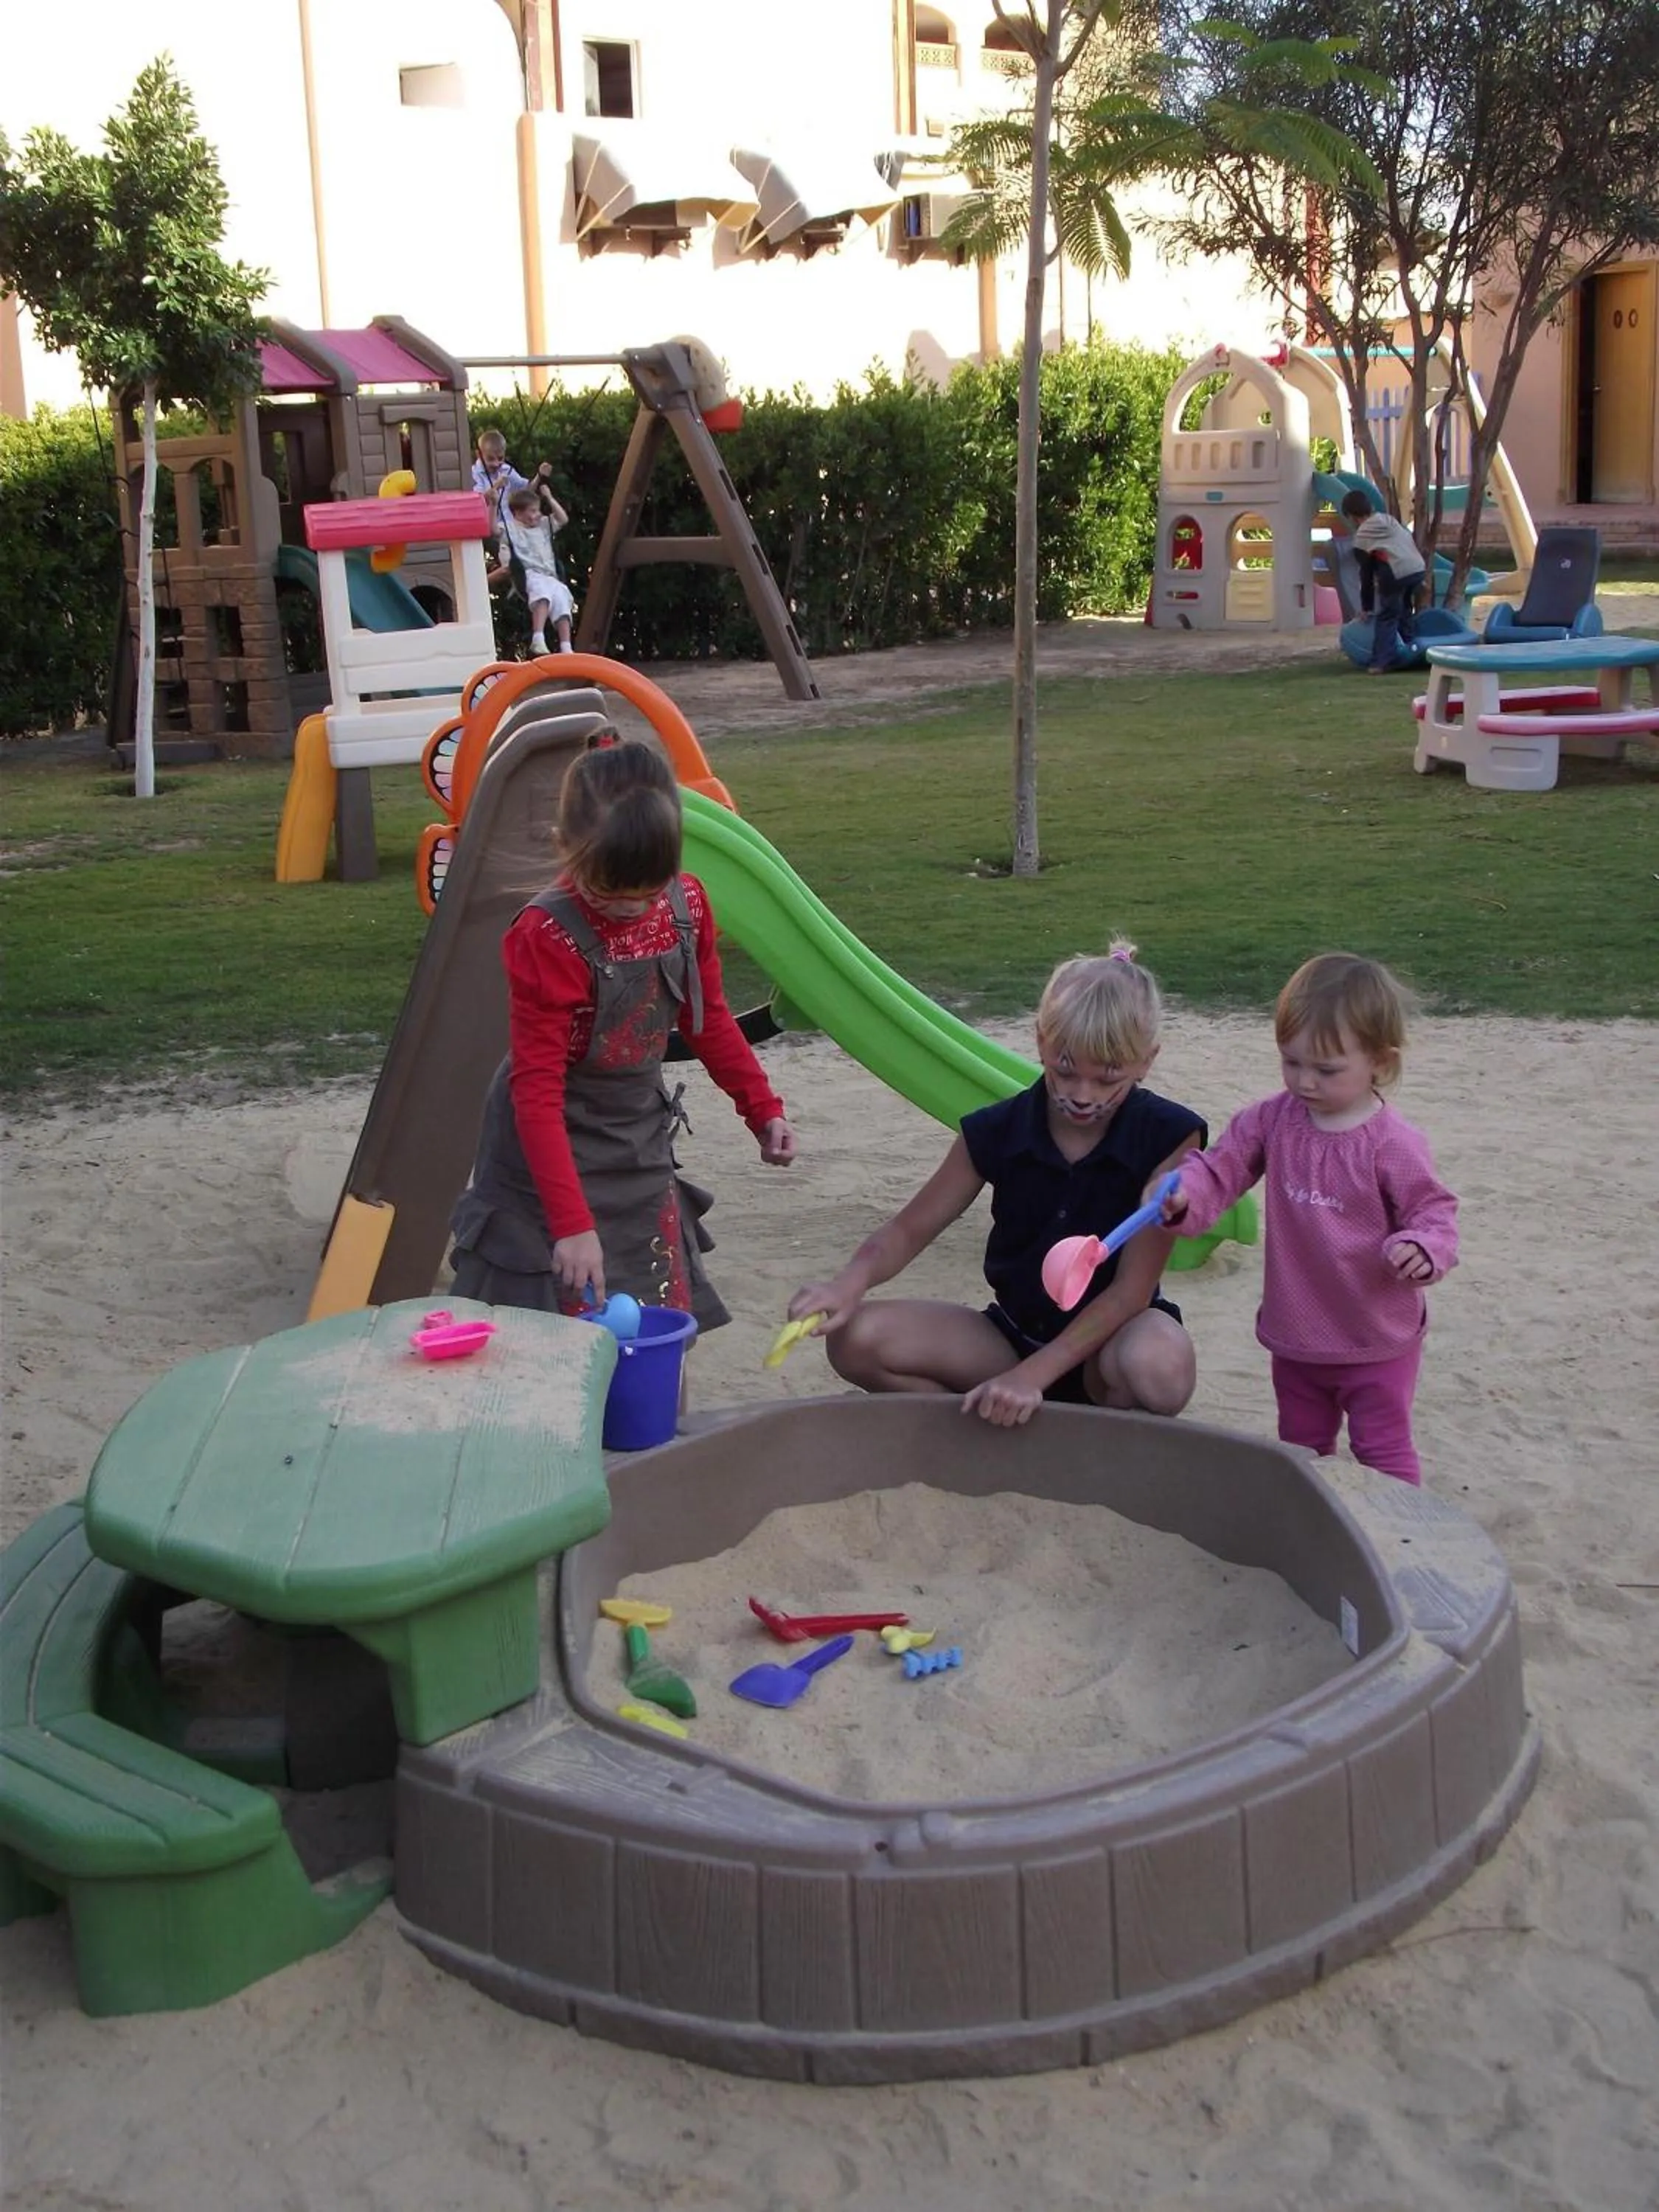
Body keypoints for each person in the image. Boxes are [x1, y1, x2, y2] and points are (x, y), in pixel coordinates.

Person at [449, 740, 796, 1329]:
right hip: (547, 1148)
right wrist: (571, 1225)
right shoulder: (547, 934)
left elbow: (707, 1018)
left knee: (659, 1324)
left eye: (649, 889)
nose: (633, 907)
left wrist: (761, 1109)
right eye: (609, 891)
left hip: (635, 1139)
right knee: (552, 1333)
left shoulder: (686, 906)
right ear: (568, 850)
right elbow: (537, 1091)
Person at [787, 942, 1206, 1427]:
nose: (1082, 1095)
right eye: (1065, 1069)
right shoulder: (997, 1130)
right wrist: (846, 1284)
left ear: (1146, 1060)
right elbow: (907, 1231)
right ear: (1041, 1041)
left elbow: (1132, 1292)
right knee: (855, 1338)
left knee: (1160, 1367)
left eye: (1108, 1076)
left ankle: (1097, 1442)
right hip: (1010, 1338)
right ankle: (973, 1436)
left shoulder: (1171, 1135)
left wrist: (1034, 1376)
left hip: (1109, 1347)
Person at [1156, 952, 1458, 1486]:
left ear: (1380, 1065)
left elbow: (1433, 1212)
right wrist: (1185, 1194)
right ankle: (1311, 1533)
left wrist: (1422, 1247)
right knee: (1302, 1451)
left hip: (1375, 1339)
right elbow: (1220, 1168)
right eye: (1291, 1062)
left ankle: (1404, 1541)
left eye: (1327, 1069)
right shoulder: (1272, 1121)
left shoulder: (1392, 1144)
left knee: (1382, 1452)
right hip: (1297, 1334)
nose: (1306, 1081)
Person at [1340, 491, 1427, 673]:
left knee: (1387, 615)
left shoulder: (1362, 537)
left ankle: (1380, 662)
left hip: (1396, 572)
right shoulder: (1388, 520)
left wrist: (1366, 607)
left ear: (1351, 516)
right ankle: (1411, 648)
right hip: (1418, 568)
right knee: (1404, 609)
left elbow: (1366, 576)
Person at [496, 480, 577, 655]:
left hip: (550, 575)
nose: (538, 515)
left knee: (562, 596)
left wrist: (549, 497)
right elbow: (492, 530)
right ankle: (538, 639)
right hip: (528, 574)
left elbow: (563, 519)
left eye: (539, 510)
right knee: (543, 593)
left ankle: (566, 647)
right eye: (533, 511)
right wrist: (493, 503)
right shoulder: (510, 528)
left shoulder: (543, 526)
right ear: (518, 513)